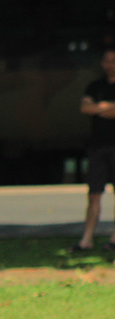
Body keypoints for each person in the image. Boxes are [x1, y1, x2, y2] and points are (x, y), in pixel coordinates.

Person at [71, 46, 115, 252]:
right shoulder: (95, 86)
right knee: (94, 194)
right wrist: (107, 107)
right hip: (98, 147)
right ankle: (86, 240)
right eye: (107, 61)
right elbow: (84, 108)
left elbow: (92, 108)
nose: (110, 65)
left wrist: (99, 108)